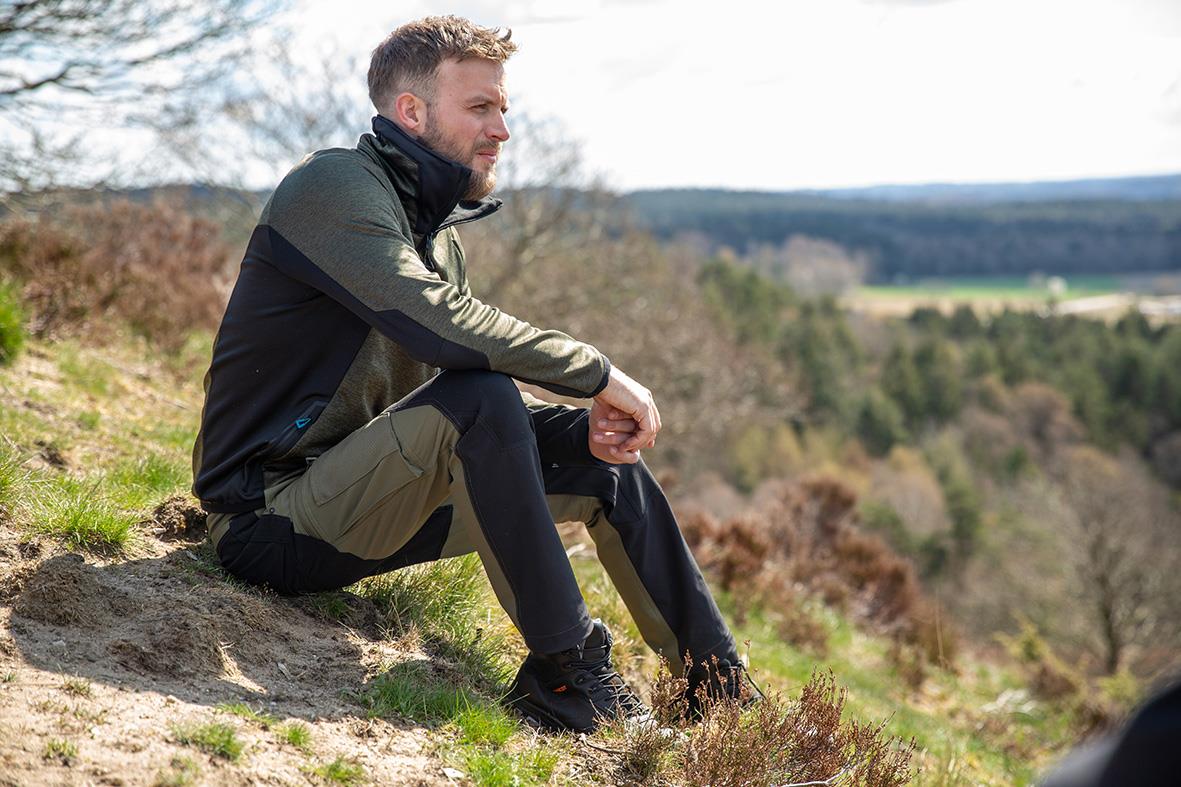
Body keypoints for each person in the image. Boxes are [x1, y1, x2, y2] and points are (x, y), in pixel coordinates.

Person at [191, 15, 752, 732]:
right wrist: (597, 372)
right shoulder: (331, 187)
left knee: (599, 460)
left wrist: (577, 423)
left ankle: (723, 697)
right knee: (487, 396)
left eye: (502, 108)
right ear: (411, 112)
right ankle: (564, 673)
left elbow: (443, 387)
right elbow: (439, 327)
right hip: (266, 521)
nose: (501, 130)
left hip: (361, 499)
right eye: (480, 107)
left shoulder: (437, 234)